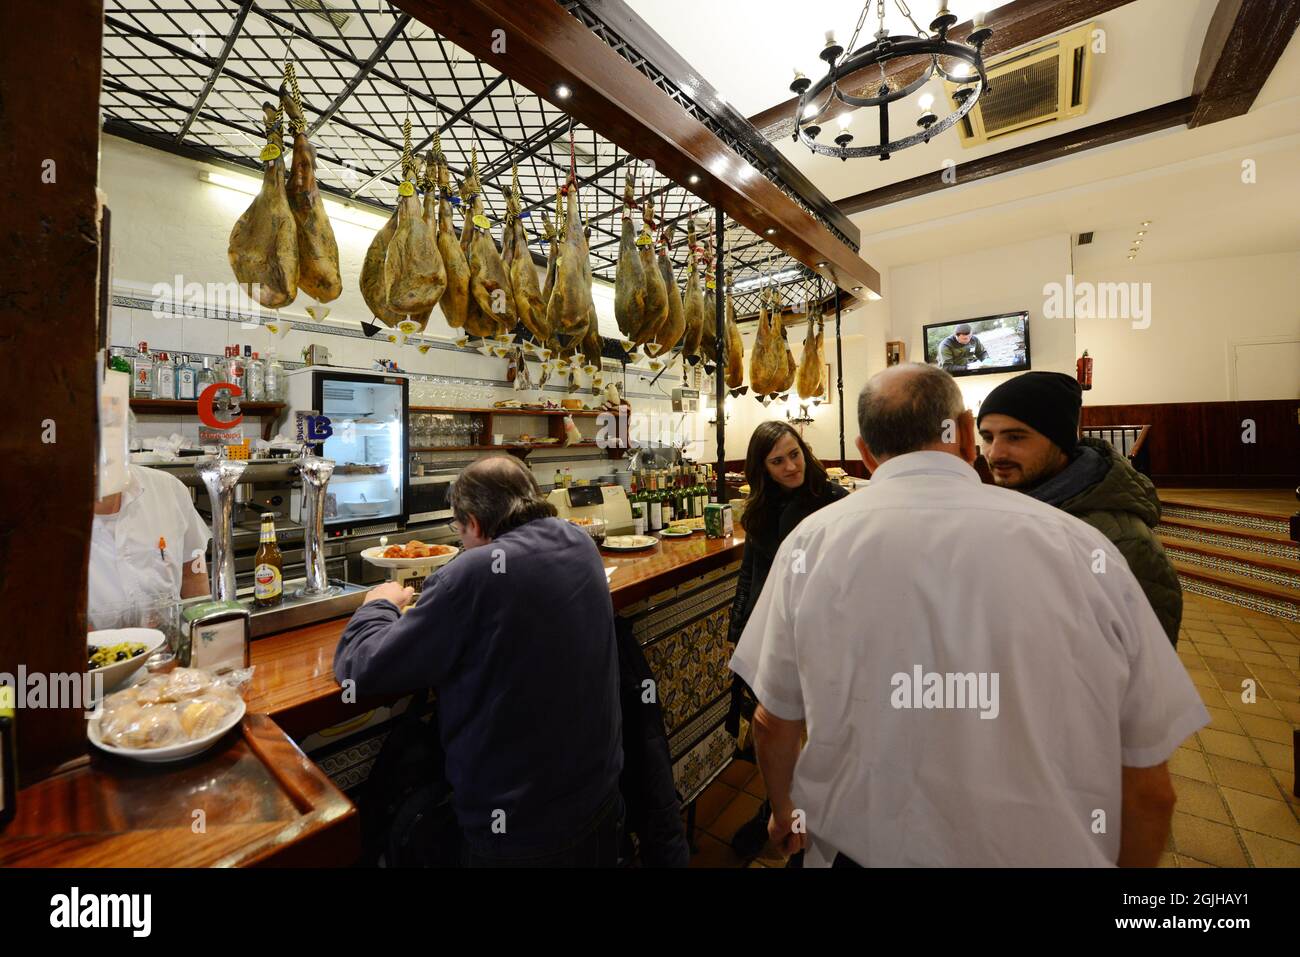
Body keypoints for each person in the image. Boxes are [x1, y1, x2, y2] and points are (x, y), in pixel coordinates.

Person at [730, 363, 1207, 867]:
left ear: (865, 452)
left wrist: (784, 814)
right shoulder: (1085, 548)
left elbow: (772, 720)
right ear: (963, 432)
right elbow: (1151, 789)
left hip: (859, 851)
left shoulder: (810, 544)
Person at [333, 455, 624, 867]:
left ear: (472, 520)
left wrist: (377, 606)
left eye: (458, 529)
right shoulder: (578, 542)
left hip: (521, 831)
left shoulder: (470, 573)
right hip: (601, 797)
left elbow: (361, 670)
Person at [977, 371, 1182, 645]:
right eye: (988, 437)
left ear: (1059, 440)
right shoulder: (1014, 508)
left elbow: (1146, 663)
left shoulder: (1123, 542)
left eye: (1015, 437)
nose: (995, 453)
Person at [725, 421, 846, 858]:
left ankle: (802, 824)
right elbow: (751, 574)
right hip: (773, 630)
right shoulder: (760, 508)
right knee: (777, 728)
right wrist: (739, 630)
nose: (790, 466)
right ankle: (779, 811)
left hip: (820, 637)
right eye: (777, 461)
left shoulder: (832, 501)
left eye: (794, 454)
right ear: (763, 469)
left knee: (814, 735)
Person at [89, 462, 211, 627]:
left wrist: (203, 635)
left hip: (167, 647)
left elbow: (193, 571)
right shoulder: (45, 507)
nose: (95, 467)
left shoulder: (169, 489)